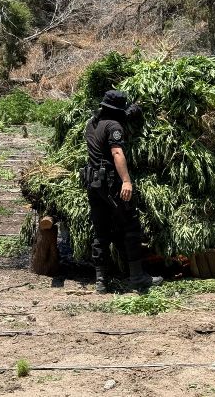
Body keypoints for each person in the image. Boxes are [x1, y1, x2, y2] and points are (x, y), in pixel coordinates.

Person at [82, 90, 163, 294]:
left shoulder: (91, 124)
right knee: (130, 227)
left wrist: (134, 110)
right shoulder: (114, 126)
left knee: (100, 231)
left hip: (93, 183)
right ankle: (137, 277)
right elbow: (117, 152)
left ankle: (101, 281)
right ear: (117, 111)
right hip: (111, 184)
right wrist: (126, 181)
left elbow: (115, 120)